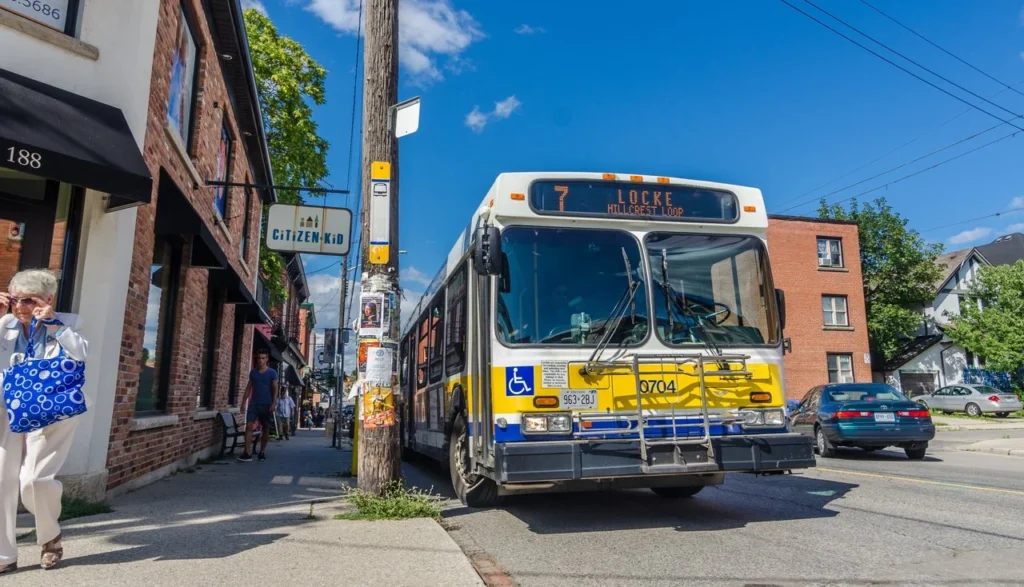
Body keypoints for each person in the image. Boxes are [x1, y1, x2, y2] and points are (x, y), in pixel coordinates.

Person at [0, 269, 89, 573]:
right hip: (6, 407)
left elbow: (81, 354)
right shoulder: (5, 324)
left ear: (48, 299)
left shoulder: (65, 324)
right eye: (15, 299)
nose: (20, 306)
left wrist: (54, 325)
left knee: (34, 481)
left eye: (29, 300)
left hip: (51, 408)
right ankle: (4, 556)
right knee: (1, 480)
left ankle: (50, 537)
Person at [238, 349, 278, 462]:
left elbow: (275, 389)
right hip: (254, 404)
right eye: (259, 358)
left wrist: (274, 403)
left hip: (266, 404)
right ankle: (247, 453)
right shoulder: (253, 372)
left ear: (267, 359)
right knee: (249, 426)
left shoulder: (272, 373)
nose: (260, 360)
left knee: (265, 427)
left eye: (263, 358)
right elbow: (248, 388)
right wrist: (243, 403)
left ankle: (262, 451)